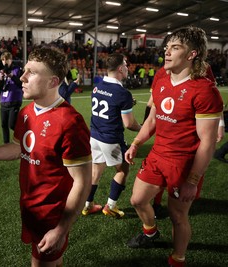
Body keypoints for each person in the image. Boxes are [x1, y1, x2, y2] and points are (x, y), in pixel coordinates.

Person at [0, 47, 92, 267]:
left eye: (32, 72)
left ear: (52, 82)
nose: (22, 77)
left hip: (52, 213)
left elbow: (82, 180)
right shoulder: (26, 112)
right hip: (31, 206)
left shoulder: (70, 122)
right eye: (24, 70)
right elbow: (17, 148)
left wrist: (62, 227)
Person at [124, 26, 223, 267]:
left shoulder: (204, 91)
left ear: (192, 54)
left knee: (178, 216)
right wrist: (137, 143)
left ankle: (177, 259)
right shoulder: (160, 77)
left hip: (184, 162)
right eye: (167, 47)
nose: (166, 52)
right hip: (158, 155)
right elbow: (153, 119)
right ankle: (150, 231)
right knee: (137, 200)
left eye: (175, 48)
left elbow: (208, 142)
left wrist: (192, 180)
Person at [82, 53, 141, 218]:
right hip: (111, 139)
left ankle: (88, 205)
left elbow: (109, 104)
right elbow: (129, 124)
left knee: (96, 170)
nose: (128, 68)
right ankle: (111, 206)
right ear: (120, 68)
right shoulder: (123, 93)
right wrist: (143, 128)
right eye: (126, 65)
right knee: (123, 169)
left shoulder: (97, 86)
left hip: (94, 136)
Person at [0, 51, 23, 143]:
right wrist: (1, 79)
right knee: (4, 125)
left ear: (11, 60)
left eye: (6, 59)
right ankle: (6, 144)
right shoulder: (2, 71)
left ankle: (23, 137)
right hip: (4, 101)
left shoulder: (18, 69)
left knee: (12, 125)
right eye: (3, 60)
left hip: (14, 100)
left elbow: (21, 84)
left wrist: (12, 76)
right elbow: (0, 89)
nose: (4, 61)